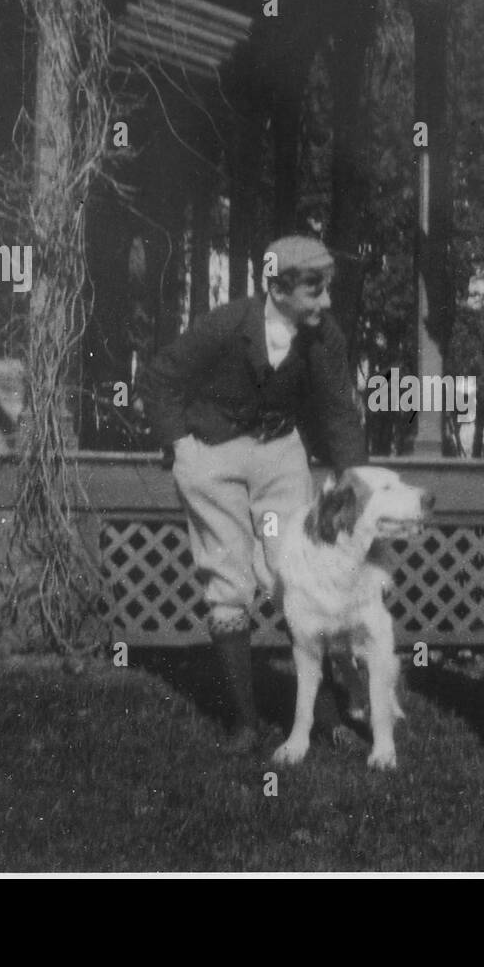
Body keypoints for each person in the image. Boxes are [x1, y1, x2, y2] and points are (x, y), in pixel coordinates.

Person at [142, 234, 368, 753]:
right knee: (228, 582)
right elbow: (160, 378)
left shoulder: (322, 335)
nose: (326, 302)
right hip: (212, 457)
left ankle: (327, 717)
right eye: (315, 290)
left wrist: (352, 471)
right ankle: (244, 723)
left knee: (299, 577)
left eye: (327, 289)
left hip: (279, 455)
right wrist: (180, 445)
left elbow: (337, 406)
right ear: (279, 287)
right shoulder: (226, 325)